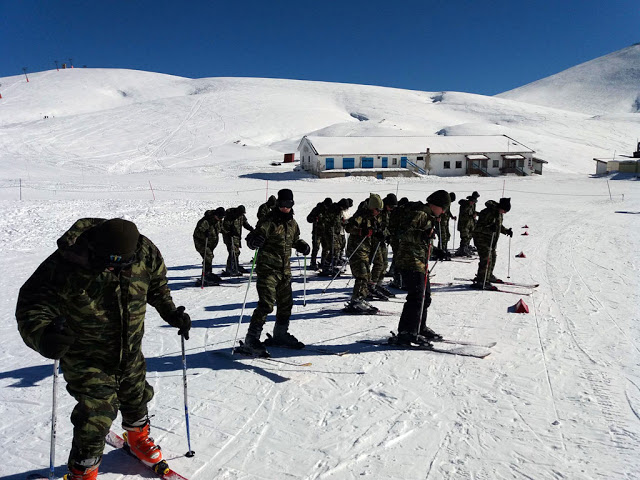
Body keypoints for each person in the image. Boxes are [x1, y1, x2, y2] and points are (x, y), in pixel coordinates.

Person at [15, 218, 191, 480]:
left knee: (137, 395)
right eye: (108, 262)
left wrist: (171, 313)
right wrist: (45, 336)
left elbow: (156, 286)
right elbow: (32, 305)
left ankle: (138, 439)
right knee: (96, 417)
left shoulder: (145, 252)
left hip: (129, 350)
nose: (112, 268)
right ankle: (82, 472)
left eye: (120, 264)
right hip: (86, 354)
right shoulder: (68, 260)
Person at [240, 189, 311, 357]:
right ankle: (251, 340)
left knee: (286, 304)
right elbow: (253, 238)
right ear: (278, 203)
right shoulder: (269, 221)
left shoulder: (292, 224)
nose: (286, 208)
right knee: (266, 305)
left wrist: (301, 245)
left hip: (285, 271)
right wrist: (253, 242)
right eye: (283, 204)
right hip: (268, 270)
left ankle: (280, 335)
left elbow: (294, 240)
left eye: (289, 204)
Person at [392, 190, 450, 345]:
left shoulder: (428, 217)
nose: (443, 212)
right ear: (434, 205)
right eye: (443, 208)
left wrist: (437, 250)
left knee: (425, 297)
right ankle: (407, 332)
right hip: (409, 260)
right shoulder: (420, 214)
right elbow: (402, 234)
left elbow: (423, 240)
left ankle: (419, 327)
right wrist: (423, 235)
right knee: (416, 297)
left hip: (419, 261)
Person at [343, 193, 383, 314]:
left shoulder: (373, 217)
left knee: (366, 275)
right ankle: (356, 301)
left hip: (366, 249)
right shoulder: (360, 216)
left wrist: (378, 233)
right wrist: (362, 231)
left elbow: (374, 230)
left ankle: (361, 297)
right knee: (362, 275)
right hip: (356, 249)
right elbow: (348, 228)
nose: (379, 212)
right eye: (378, 210)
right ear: (372, 207)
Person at [472, 197, 513, 290]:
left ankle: (488, 275)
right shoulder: (487, 212)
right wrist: (489, 228)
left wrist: (506, 231)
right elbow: (478, 227)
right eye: (505, 210)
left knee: (493, 257)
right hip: (481, 239)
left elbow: (498, 226)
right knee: (486, 258)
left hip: (491, 240)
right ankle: (481, 280)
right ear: (501, 207)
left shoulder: (499, 213)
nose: (505, 213)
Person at [369, 193, 397, 299]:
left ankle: (378, 284)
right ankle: (371, 286)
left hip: (381, 240)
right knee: (379, 263)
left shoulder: (386, 212)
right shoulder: (377, 209)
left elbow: (385, 225)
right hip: (373, 240)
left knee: (385, 263)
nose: (391, 209)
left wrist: (388, 235)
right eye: (391, 207)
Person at [193, 207, 226, 285]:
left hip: (211, 243)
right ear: (215, 214)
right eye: (219, 217)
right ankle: (205, 277)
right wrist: (204, 234)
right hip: (201, 243)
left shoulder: (218, 221)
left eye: (222, 218)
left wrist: (227, 232)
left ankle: (208, 274)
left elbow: (221, 228)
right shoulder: (204, 221)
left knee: (209, 257)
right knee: (208, 256)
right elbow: (197, 233)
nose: (220, 219)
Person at [319, 198, 350, 277]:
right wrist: (331, 224)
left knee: (337, 248)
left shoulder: (339, 210)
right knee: (334, 249)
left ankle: (330, 265)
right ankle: (326, 267)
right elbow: (326, 220)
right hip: (329, 232)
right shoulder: (333, 209)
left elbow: (338, 221)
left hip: (336, 232)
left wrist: (343, 222)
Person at [222, 205, 254, 276]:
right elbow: (223, 227)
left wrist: (251, 229)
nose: (241, 215)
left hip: (237, 237)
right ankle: (230, 268)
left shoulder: (241, 216)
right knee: (232, 252)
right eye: (240, 213)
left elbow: (245, 224)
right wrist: (229, 232)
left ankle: (236, 266)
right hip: (230, 237)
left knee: (236, 252)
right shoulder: (230, 216)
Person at [306, 198, 332, 270]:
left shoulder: (329, 210)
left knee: (326, 248)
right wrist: (314, 219)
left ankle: (323, 262)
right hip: (317, 232)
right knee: (316, 248)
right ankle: (313, 263)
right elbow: (308, 218)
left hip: (326, 233)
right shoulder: (317, 209)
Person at [433, 192, 456, 260]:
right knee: (442, 237)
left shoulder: (447, 203)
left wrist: (452, 217)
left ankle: (444, 249)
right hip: (440, 222)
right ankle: (440, 252)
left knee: (447, 236)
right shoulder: (442, 202)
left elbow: (448, 211)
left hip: (445, 222)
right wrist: (437, 217)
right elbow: (437, 211)